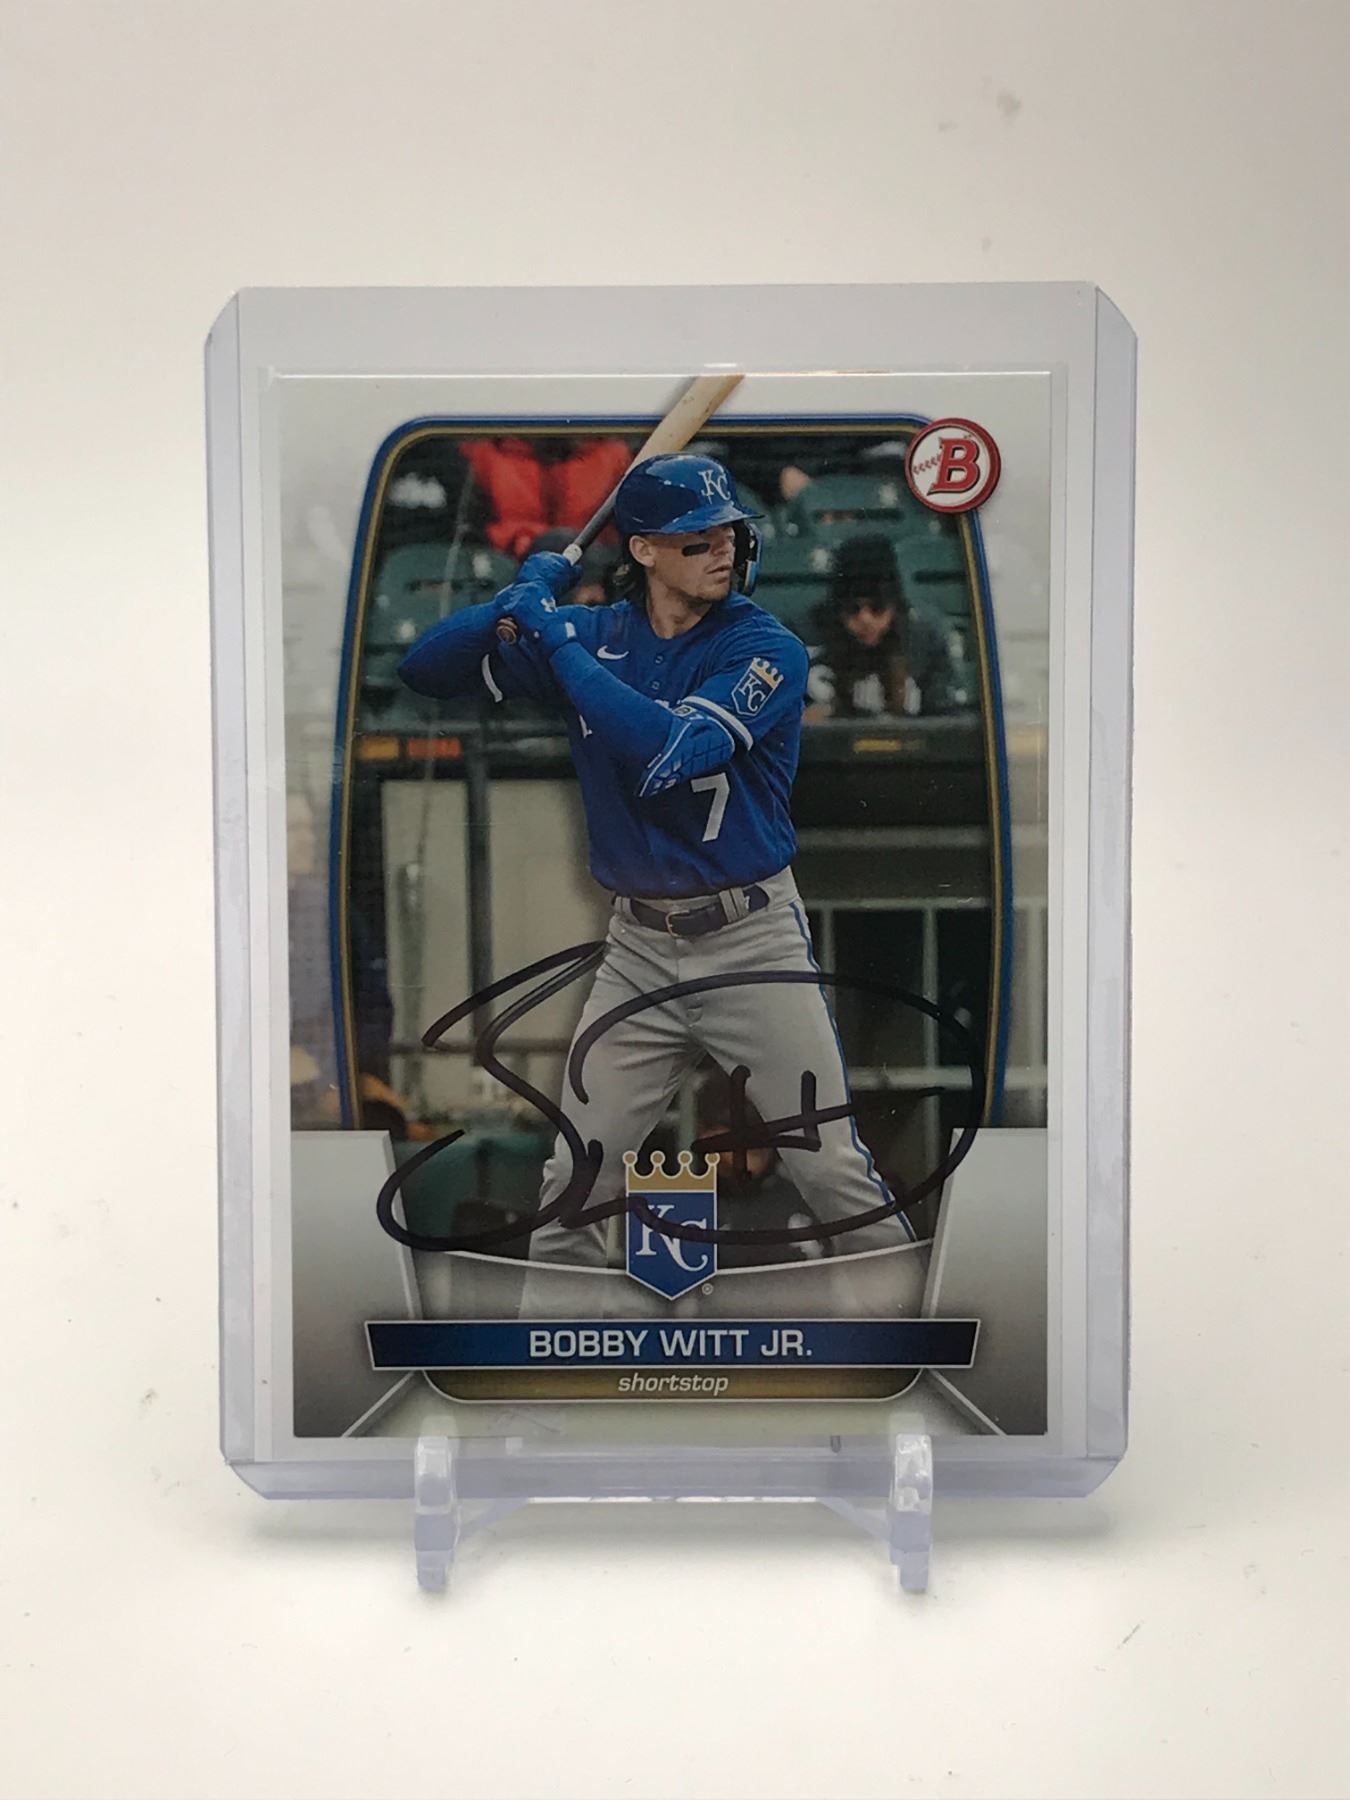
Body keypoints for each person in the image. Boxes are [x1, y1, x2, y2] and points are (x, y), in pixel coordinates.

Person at [398, 452, 915, 1275]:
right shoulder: (599, 636)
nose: (722, 549)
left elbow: (672, 751)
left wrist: (554, 638)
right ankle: (549, 1358)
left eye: (728, 533)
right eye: (695, 538)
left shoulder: (764, 646)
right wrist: (509, 603)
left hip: (752, 945)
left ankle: (919, 1336)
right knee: (574, 1184)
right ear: (642, 549)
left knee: (830, 1172)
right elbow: (423, 670)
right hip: (638, 950)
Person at [806, 534, 966, 719]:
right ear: (837, 609)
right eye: (852, 608)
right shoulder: (807, 637)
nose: (865, 619)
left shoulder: (924, 643)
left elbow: (945, 720)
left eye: (877, 607)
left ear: (894, 606)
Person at [459, 435, 632, 561]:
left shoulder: (614, 455)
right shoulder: (486, 453)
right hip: (509, 566)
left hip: (592, 572)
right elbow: (470, 529)